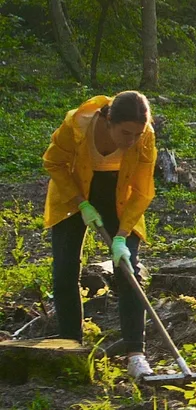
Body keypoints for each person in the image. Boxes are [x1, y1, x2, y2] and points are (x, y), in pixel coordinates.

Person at [43, 91, 156, 362]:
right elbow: (53, 162)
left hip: (119, 196)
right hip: (74, 193)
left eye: (136, 135)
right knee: (65, 270)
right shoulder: (77, 125)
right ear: (109, 122)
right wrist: (81, 203)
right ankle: (71, 347)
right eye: (125, 133)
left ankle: (135, 354)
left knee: (128, 267)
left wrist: (121, 236)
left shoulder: (145, 137)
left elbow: (142, 191)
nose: (131, 141)